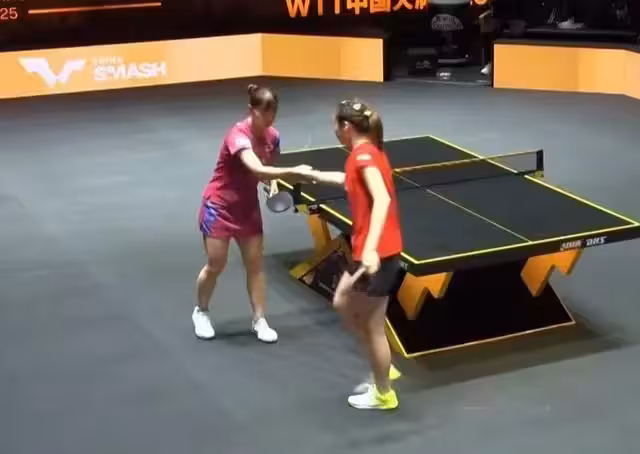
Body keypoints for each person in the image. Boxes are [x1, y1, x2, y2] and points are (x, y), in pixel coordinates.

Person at [302, 99, 403, 410]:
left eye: (336, 125)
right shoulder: (367, 152)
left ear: (346, 127)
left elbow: (382, 199)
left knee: (370, 325)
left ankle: (383, 392)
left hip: (378, 254)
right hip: (375, 251)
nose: (334, 130)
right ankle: (382, 365)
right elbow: (350, 181)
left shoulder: (363, 157)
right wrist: (314, 175)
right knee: (342, 302)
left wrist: (371, 248)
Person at [193, 83, 311, 343]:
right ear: (251, 110)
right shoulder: (237, 135)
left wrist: (272, 184)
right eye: (263, 113)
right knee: (216, 265)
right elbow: (255, 166)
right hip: (219, 207)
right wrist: (295, 171)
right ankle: (201, 311)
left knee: (255, 266)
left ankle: (260, 319)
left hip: (247, 209)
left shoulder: (273, 136)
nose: (268, 119)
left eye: (273, 113)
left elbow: (267, 169)